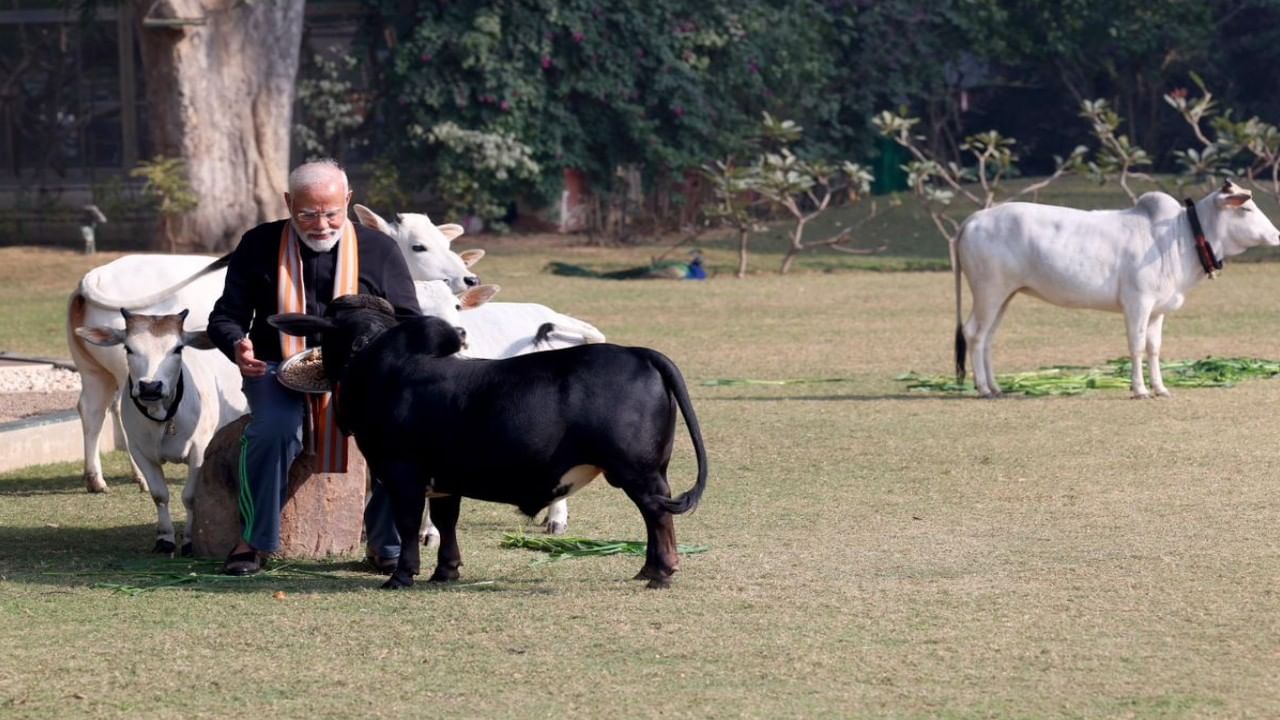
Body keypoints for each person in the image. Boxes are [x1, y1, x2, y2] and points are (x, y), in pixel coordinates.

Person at [207, 159, 420, 576]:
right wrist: (239, 347)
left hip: (363, 374)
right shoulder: (258, 244)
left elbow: (408, 320)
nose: (320, 224)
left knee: (400, 437)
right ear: (288, 203)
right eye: (306, 213)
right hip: (275, 368)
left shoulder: (379, 250)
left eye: (331, 213)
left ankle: (386, 544)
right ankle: (253, 540)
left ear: (348, 201)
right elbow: (225, 317)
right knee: (273, 431)